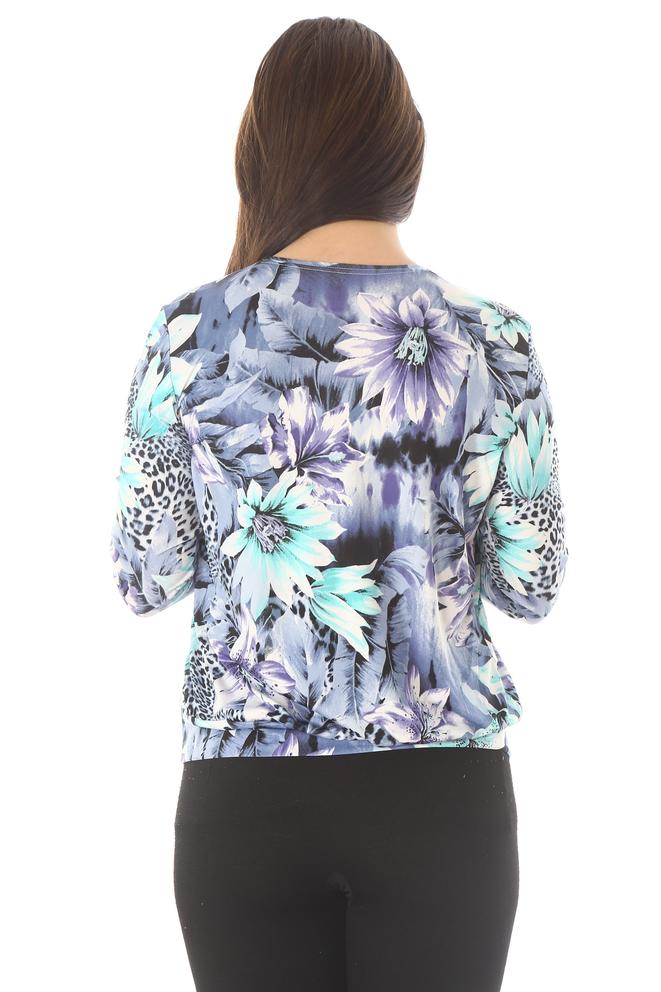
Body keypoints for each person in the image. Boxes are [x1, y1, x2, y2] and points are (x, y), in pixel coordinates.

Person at [109, 16, 569, 992]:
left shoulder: (188, 333)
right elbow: (531, 583)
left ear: (259, 148)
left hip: (243, 797)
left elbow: (146, 573)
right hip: (440, 795)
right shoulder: (493, 338)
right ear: (405, 149)